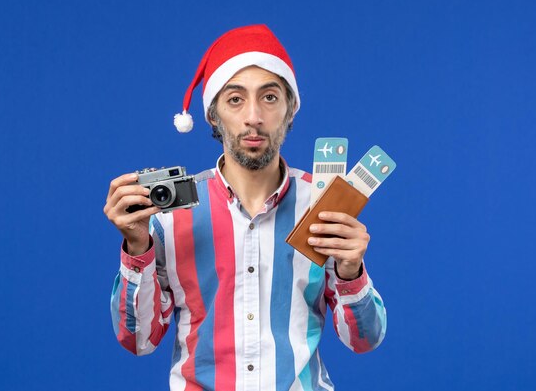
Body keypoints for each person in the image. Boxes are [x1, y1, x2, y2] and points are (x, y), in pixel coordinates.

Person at [104, 24, 386, 391]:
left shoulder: (322, 203)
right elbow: (138, 340)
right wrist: (136, 247)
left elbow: (363, 341)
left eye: (269, 97)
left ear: (290, 110)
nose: (253, 116)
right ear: (213, 115)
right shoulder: (168, 217)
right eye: (235, 99)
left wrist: (351, 271)